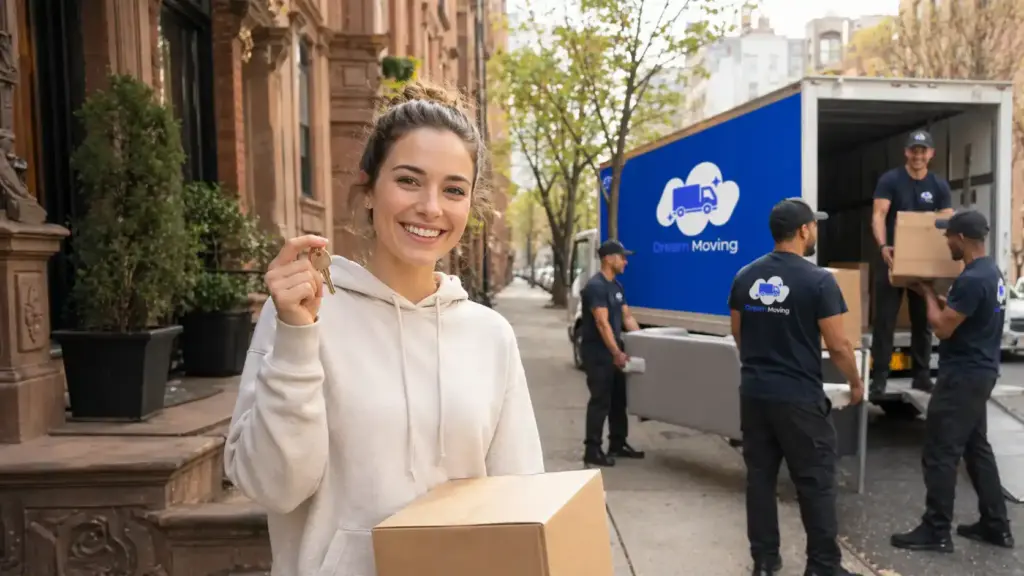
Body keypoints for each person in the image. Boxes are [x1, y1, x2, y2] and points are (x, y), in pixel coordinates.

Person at [224, 81, 545, 576]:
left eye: (453, 189)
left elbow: (520, 498)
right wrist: (296, 339)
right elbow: (272, 486)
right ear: (369, 188)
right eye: (409, 180)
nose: (431, 207)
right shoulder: (305, 312)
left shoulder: (491, 336)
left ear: (470, 207)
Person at [728, 198, 865, 576]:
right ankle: (822, 566)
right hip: (798, 399)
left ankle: (765, 562)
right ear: (804, 230)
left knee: (760, 479)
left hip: (754, 395)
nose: (816, 231)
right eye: (814, 225)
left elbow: (739, 334)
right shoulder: (819, 280)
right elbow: (838, 345)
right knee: (815, 482)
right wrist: (856, 382)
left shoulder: (745, 277)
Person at [890, 209, 1015, 553]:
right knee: (977, 449)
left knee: (940, 450)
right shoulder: (993, 274)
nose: (945, 242)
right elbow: (968, 315)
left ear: (961, 239)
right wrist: (944, 300)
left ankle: (936, 530)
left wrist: (928, 293)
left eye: (948, 237)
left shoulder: (972, 278)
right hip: (982, 371)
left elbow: (943, 328)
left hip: (962, 375)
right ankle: (996, 525)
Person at [870, 129, 954, 398]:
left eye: (923, 150)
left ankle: (921, 376)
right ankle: (879, 379)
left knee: (923, 321)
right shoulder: (890, 180)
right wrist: (883, 246)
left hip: (923, 265)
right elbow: (879, 215)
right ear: (906, 152)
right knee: (884, 322)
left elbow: (946, 223)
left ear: (931, 154)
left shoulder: (939, 186)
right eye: (914, 150)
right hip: (892, 259)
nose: (918, 155)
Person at [579, 239, 645, 467]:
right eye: (622, 257)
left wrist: (647, 341)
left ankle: (617, 443)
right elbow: (602, 323)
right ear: (608, 259)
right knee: (600, 401)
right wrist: (616, 352)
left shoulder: (616, 286)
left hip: (614, 352)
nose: (625, 261)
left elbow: (627, 318)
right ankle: (592, 450)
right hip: (598, 354)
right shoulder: (595, 287)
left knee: (619, 399)